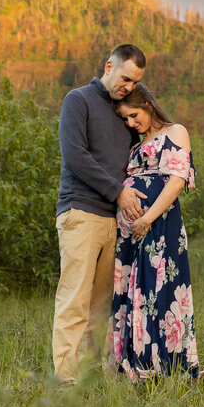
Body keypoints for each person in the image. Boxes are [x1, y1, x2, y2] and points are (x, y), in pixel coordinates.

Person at [52, 44, 148, 385]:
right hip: (80, 212)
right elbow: (76, 156)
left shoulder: (125, 113)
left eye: (134, 82)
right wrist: (119, 192)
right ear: (109, 65)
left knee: (101, 307)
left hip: (113, 221)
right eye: (125, 78)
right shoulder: (77, 100)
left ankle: (89, 374)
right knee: (74, 299)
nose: (128, 86)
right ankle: (65, 381)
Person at [110, 83, 204, 380]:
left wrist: (146, 219)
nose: (131, 123)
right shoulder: (136, 144)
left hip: (159, 225)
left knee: (158, 289)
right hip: (130, 232)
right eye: (125, 119)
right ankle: (135, 362)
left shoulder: (175, 132)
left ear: (149, 106)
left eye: (134, 116)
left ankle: (167, 366)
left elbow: (176, 181)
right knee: (132, 291)